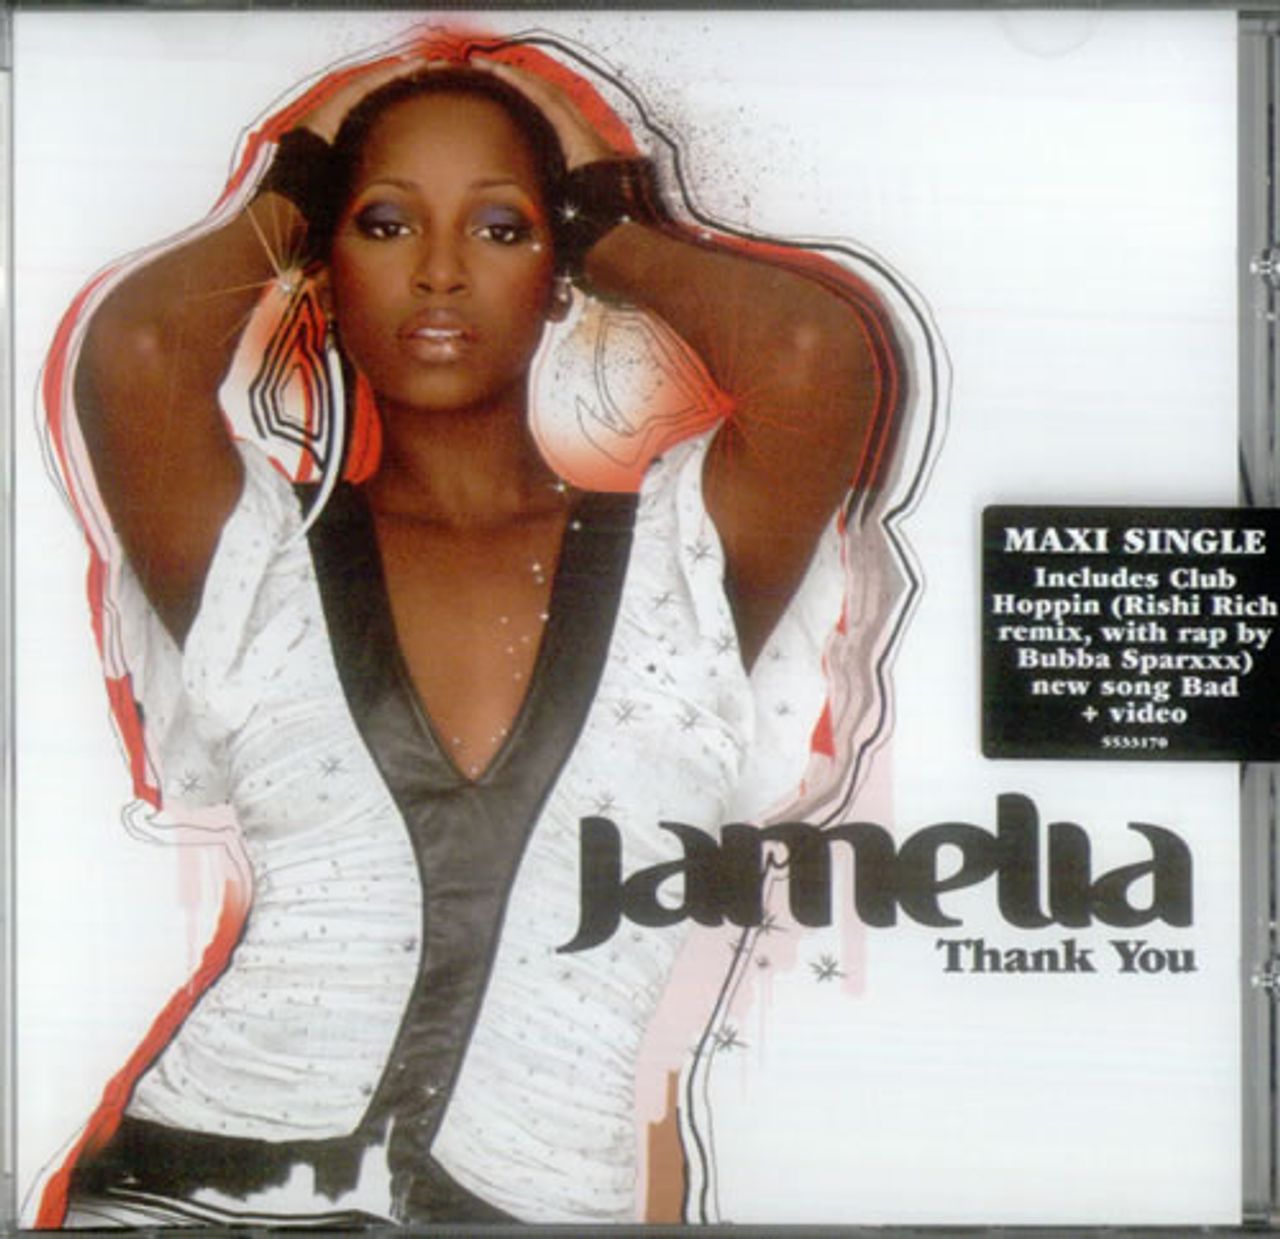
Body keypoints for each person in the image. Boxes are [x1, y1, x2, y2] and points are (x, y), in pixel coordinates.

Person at [32, 32, 923, 1227]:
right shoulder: (261, 564)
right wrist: (297, 181)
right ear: (323, 266)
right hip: (196, 1191)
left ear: (559, 273)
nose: (440, 274)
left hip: (537, 1204)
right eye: (385, 225)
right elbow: (136, 352)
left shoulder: (677, 569)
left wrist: (606, 219)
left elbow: (813, 358)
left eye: (500, 229)